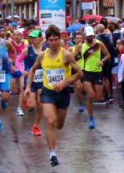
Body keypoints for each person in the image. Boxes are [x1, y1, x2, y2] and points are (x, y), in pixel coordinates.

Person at [25, 25, 82, 167]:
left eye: (57, 39)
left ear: (60, 39)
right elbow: (32, 70)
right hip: (48, 92)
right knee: (50, 121)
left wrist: (65, 83)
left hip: (62, 93)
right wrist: (27, 87)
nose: (54, 42)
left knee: (59, 125)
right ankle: (52, 154)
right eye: (51, 40)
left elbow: (79, 73)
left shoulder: (66, 55)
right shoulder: (42, 55)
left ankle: (53, 146)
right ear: (47, 41)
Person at [16, 29, 44, 136]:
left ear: (41, 38)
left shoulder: (46, 50)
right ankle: (26, 100)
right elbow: (18, 61)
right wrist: (22, 70)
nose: (32, 39)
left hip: (42, 81)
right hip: (31, 81)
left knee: (40, 104)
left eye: (35, 37)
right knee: (31, 107)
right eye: (31, 37)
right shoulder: (27, 50)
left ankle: (36, 126)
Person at [82, 26, 111, 129]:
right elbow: (73, 56)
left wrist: (102, 61)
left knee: (98, 96)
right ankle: (91, 118)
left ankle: (90, 108)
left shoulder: (99, 44)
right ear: (85, 35)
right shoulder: (81, 46)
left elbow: (108, 55)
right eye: (88, 36)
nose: (90, 37)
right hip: (86, 73)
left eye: (91, 36)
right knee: (90, 96)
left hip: (97, 73)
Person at [71, 32, 86, 112]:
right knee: (78, 86)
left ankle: (82, 99)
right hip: (75, 70)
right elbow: (70, 59)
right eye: (77, 38)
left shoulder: (86, 47)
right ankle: (80, 103)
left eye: (81, 38)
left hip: (85, 69)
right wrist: (77, 50)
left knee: (83, 87)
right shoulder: (71, 48)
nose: (79, 39)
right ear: (74, 40)